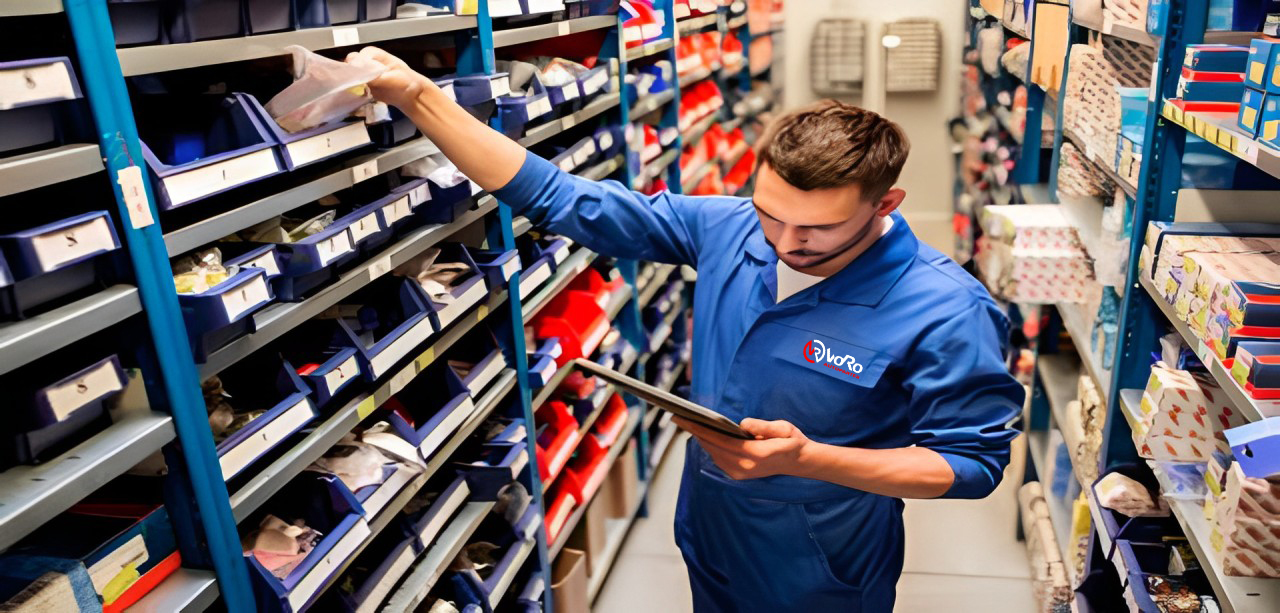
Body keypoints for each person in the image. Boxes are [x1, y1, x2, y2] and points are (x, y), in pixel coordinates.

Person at [350, 46, 1023, 612]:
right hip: (711, 529)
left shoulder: (945, 307)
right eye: (770, 213)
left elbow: (972, 463)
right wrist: (418, 96)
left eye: (818, 227)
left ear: (886, 203)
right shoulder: (729, 227)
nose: (785, 241)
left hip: (822, 561)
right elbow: (559, 197)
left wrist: (810, 458)